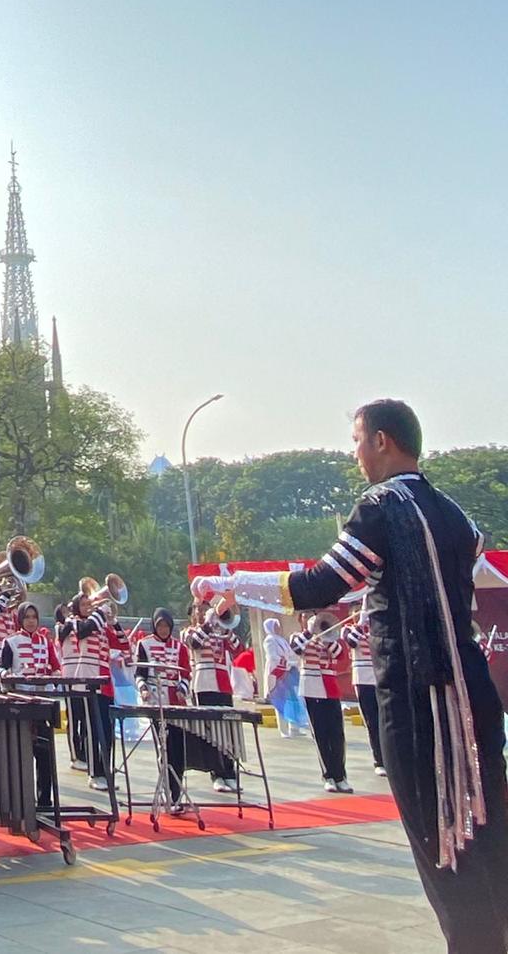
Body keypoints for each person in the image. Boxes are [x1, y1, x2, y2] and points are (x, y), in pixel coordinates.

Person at [193, 399, 508, 954]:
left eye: (358, 441)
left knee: (443, 843)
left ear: (383, 441)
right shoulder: (457, 514)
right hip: (471, 694)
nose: (355, 454)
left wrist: (231, 582)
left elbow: (319, 585)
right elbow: (459, 568)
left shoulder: (380, 507)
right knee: (489, 836)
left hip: (417, 699)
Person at [58, 595, 127, 789]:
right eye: (85, 604)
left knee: (107, 733)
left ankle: (106, 772)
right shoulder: (75, 622)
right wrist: (99, 612)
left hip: (105, 684)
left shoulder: (102, 627)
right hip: (88, 683)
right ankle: (94, 774)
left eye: (91, 604)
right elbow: (81, 631)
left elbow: (123, 645)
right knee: (92, 731)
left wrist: (114, 622)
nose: (89, 607)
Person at [0, 601, 61, 808]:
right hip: (21, 704)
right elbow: (0, 669)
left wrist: (56, 676)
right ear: (20, 619)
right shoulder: (11, 641)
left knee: (44, 754)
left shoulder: (45, 641)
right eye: (27, 617)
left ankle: (44, 801)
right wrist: (5, 674)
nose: (31, 621)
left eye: (34, 617)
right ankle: (21, 799)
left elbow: (56, 667)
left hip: (42, 703)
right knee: (21, 754)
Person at [133, 607, 193, 815]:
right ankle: (169, 794)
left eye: (167, 625)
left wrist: (181, 690)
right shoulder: (144, 644)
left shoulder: (180, 647)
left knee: (178, 750)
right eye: (160, 625)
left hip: (177, 705)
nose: (164, 629)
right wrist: (143, 690)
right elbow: (139, 673)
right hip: (156, 704)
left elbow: (186, 674)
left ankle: (177, 795)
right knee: (165, 749)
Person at [181, 607, 243, 792]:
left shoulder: (221, 633)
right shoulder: (190, 631)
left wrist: (225, 628)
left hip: (223, 684)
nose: (200, 613)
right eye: (197, 611)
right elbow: (194, 644)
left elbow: (238, 648)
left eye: (204, 610)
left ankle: (229, 772)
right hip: (203, 684)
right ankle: (216, 773)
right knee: (210, 732)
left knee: (227, 730)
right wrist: (207, 625)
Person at [290, 614, 351, 793]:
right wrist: (310, 632)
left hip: (331, 688)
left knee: (337, 734)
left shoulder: (330, 638)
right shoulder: (299, 637)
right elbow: (295, 648)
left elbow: (341, 655)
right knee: (321, 734)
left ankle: (341, 775)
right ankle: (328, 775)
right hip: (312, 688)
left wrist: (326, 636)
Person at [343, 610, 385, 776]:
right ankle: (379, 760)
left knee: (385, 721)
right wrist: (360, 624)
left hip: (379, 679)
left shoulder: (375, 630)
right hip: (362, 680)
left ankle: (388, 758)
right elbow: (351, 643)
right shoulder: (349, 630)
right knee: (372, 722)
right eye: (356, 612)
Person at [262, 618, 309, 737]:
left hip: (287, 671)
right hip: (276, 671)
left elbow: (290, 654)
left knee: (293, 699)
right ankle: (283, 730)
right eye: (276, 626)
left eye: (278, 626)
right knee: (280, 700)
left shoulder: (282, 640)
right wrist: (287, 663)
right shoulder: (269, 640)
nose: (279, 628)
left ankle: (294, 728)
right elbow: (273, 657)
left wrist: (294, 661)